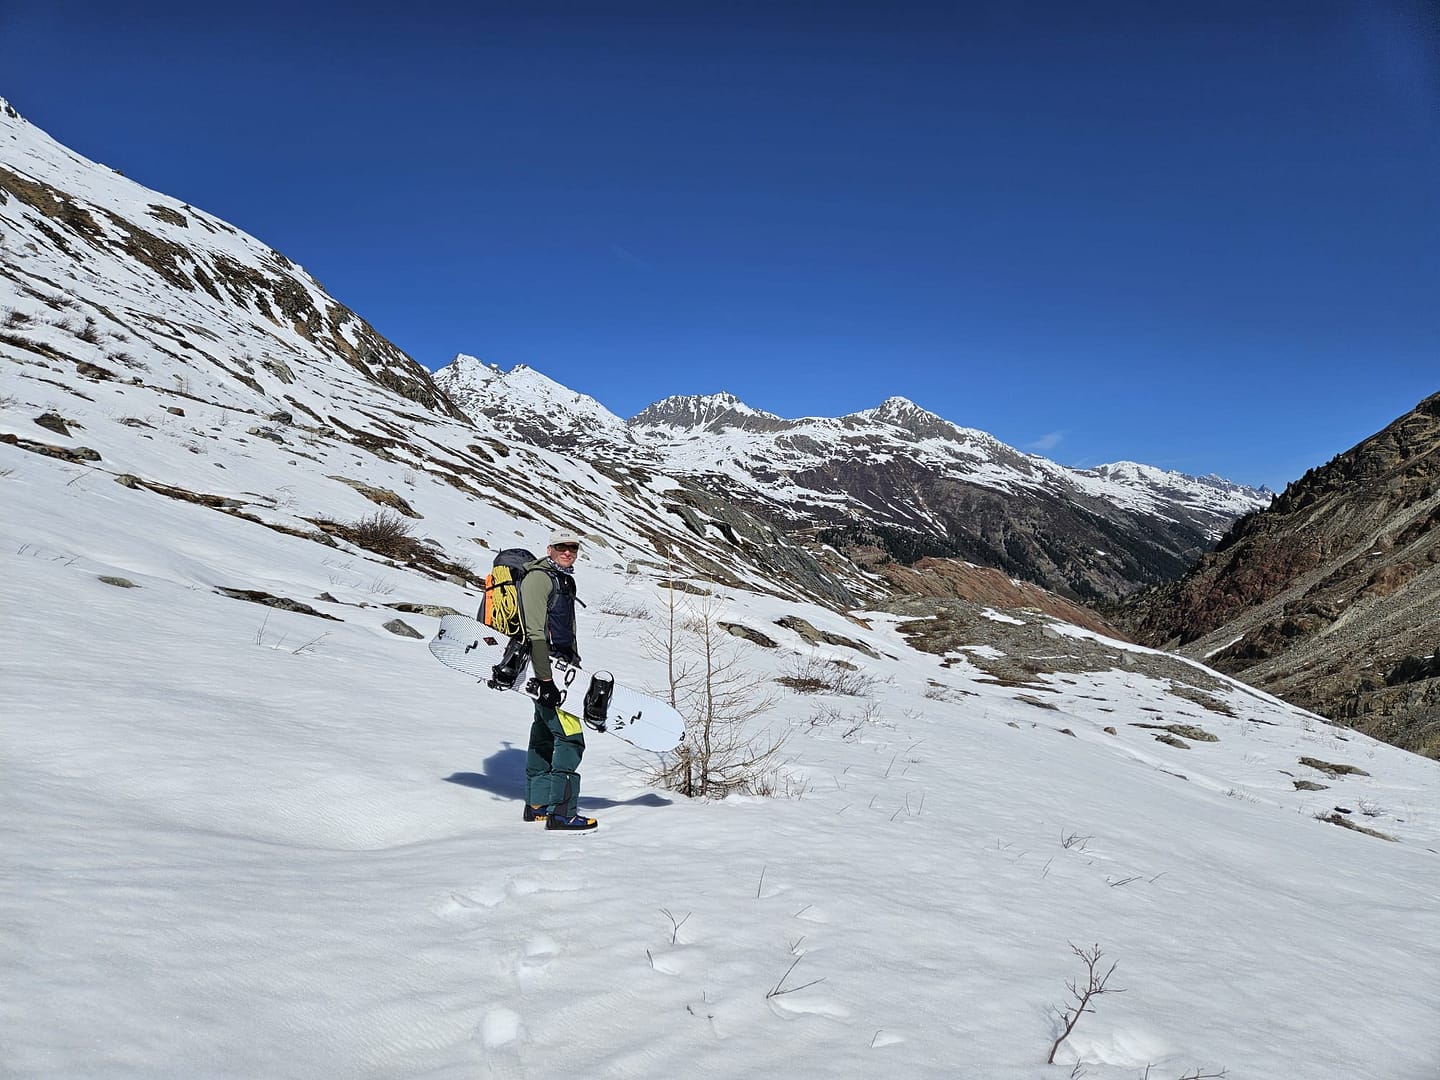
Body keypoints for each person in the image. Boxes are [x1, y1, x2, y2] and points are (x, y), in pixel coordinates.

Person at [520, 530, 598, 831]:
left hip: (558, 667)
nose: (568, 552)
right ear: (549, 549)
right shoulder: (540, 578)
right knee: (569, 737)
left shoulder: (562, 578)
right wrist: (546, 679)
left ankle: (538, 804)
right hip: (547, 669)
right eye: (562, 547)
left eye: (573, 548)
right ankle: (563, 812)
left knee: (543, 733)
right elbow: (535, 632)